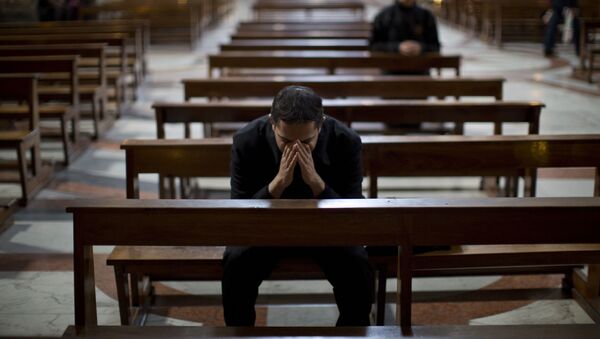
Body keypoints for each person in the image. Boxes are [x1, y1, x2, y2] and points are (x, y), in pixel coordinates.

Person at [222, 86, 374, 326]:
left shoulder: (345, 141)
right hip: (267, 229)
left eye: (306, 141)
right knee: (236, 260)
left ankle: (352, 332)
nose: (295, 148)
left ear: (320, 126)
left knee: (356, 261)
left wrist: (318, 185)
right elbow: (239, 210)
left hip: (325, 228)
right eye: (286, 140)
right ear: (272, 123)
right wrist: (276, 186)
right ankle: (239, 332)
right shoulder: (246, 140)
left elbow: (352, 210)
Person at [370, 0, 441, 74]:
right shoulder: (384, 15)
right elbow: (373, 46)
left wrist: (421, 48)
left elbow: (436, 47)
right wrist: (397, 47)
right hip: (390, 73)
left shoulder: (426, 15)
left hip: (420, 72)